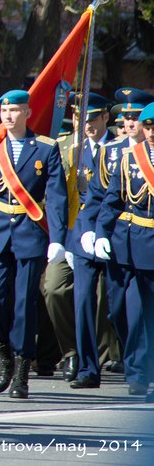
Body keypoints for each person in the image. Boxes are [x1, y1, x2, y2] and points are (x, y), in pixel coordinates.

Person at [0, 89, 66, 400]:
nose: (8, 116)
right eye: (4, 111)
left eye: (14, 110)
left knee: (24, 304)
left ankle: (22, 370)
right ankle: (4, 354)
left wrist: (58, 239)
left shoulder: (45, 148)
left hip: (30, 232)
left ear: (27, 113)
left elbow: (56, 196)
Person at [96, 101, 154, 400]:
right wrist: (101, 233)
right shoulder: (130, 157)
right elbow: (113, 199)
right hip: (130, 243)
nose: (152, 132)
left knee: (145, 312)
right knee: (125, 310)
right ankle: (138, 369)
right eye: (148, 126)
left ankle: (141, 373)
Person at [61, 93, 113, 389]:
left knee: (119, 304)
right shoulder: (72, 149)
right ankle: (87, 367)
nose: (87, 125)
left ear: (106, 117)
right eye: (81, 119)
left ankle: (134, 363)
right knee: (81, 300)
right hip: (81, 233)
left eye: (92, 119)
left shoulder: (119, 148)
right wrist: (68, 239)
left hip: (115, 234)